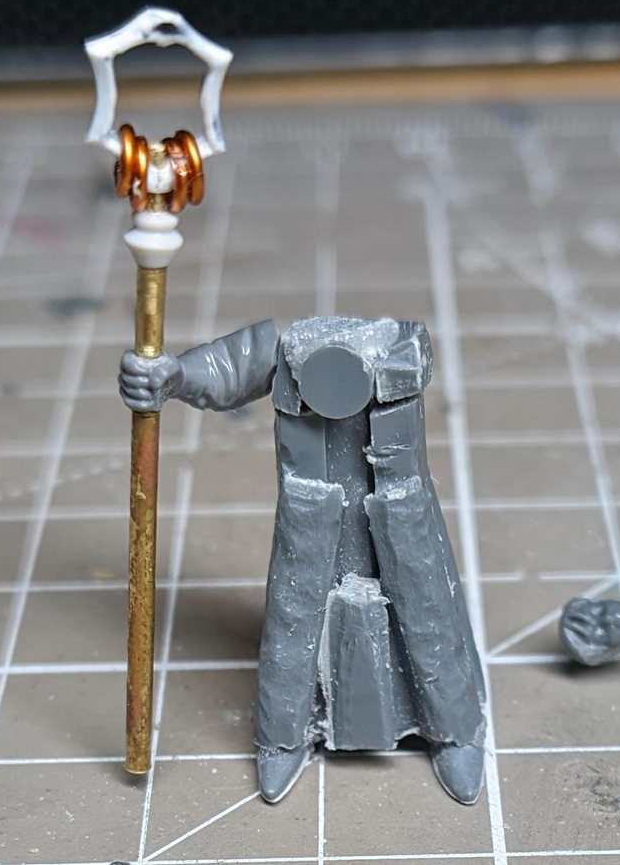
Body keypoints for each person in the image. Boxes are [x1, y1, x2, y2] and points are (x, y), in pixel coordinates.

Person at [119, 315, 487, 804]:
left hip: (399, 502)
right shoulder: (288, 355)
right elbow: (235, 365)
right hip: (311, 507)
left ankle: (454, 729)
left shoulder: (403, 351)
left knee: (426, 608)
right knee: (294, 618)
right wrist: (174, 375)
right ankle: (283, 736)